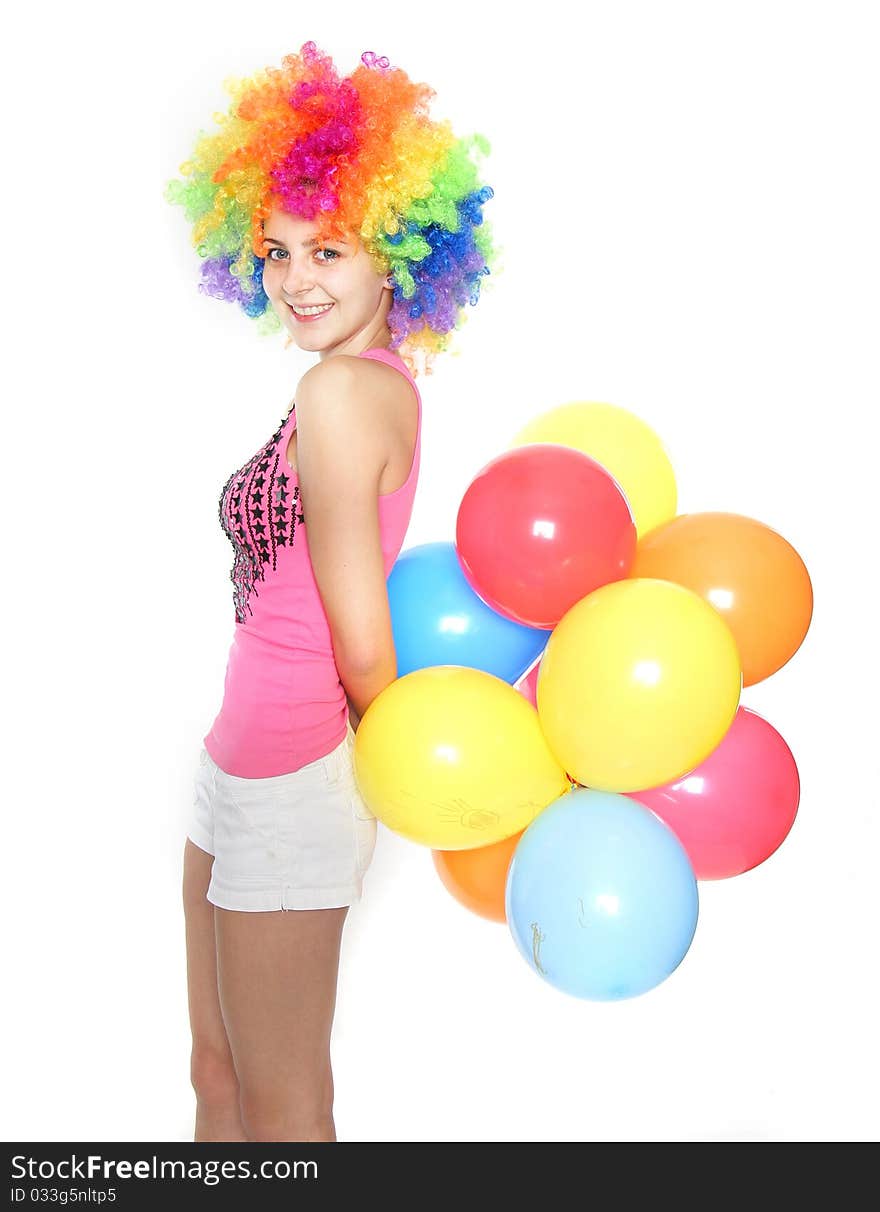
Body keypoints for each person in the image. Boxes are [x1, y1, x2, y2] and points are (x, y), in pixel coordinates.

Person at [165, 41, 497, 1142]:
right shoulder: (349, 385)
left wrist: (379, 775)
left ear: (399, 252)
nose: (296, 277)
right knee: (219, 1081)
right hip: (235, 761)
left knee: (286, 1101)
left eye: (330, 248)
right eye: (275, 249)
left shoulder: (344, 392)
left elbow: (361, 642)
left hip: (293, 775)